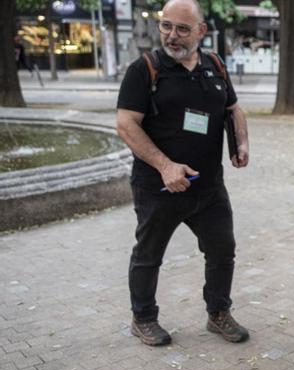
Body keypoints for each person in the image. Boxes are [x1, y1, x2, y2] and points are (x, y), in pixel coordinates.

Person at [115, 0, 250, 346]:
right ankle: (142, 318)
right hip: (159, 188)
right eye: (166, 26)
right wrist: (165, 166)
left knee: (222, 250)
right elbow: (126, 124)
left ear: (201, 31)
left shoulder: (215, 66)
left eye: (182, 28)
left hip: (208, 188)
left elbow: (234, 110)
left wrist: (241, 144)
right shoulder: (144, 69)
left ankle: (218, 313)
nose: (172, 36)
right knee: (149, 255)